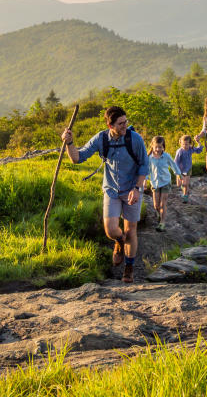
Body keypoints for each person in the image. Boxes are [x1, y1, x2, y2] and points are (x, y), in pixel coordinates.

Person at [61, 105, 148, 283]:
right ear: (110, 126)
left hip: (132, 189)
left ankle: (129, 267)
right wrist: (69, 142)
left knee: (130, 231)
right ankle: (119, 242)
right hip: (111, 190)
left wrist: (137, 189)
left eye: (126, 122)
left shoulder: (135, 139)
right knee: (111, 230)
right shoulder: (101, 139)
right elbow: (77, 158)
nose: (125, 126)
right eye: (121, 124)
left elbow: (144, 166)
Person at [146, 135, 182, 232]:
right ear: (152, 146)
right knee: (156, 205)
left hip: (166, 182)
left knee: (163, 204)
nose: (158, 149)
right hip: (155, 183)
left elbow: (173, 165)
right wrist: (144, 181)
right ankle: (159, 214)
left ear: (163, 147)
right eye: (156, 147)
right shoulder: (149, 157)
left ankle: (162, 222)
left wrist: (178, 175)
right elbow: (147, 170)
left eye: (160, 147)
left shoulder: (166, 156)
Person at [174, 134, 200, 201]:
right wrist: (177, 172)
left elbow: (198, 150)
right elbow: (176, 162)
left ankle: (185, 196)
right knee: (179, 184)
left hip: (188, 168)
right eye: (183, 144)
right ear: (180, 144)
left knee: (186, 183)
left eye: (186, 144)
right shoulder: (180, 151)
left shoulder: (190, 149)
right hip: (180, 169)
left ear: (189, 144)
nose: (185, 146)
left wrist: (198, 142)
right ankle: (182, 185)